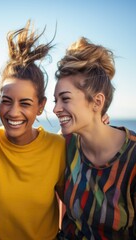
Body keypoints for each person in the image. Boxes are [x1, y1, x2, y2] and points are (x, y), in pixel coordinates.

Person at [0, 20, 67, 239]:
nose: (13, 112)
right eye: (6, 101)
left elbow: (75, 206)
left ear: (41, 106)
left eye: (25, 103)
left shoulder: (58, 148)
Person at [53, 37, 136, 239]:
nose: (55, 109)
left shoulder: (132, 159)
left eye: (65, 99)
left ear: (97, 102)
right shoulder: (67, 144)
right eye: (56, 100)